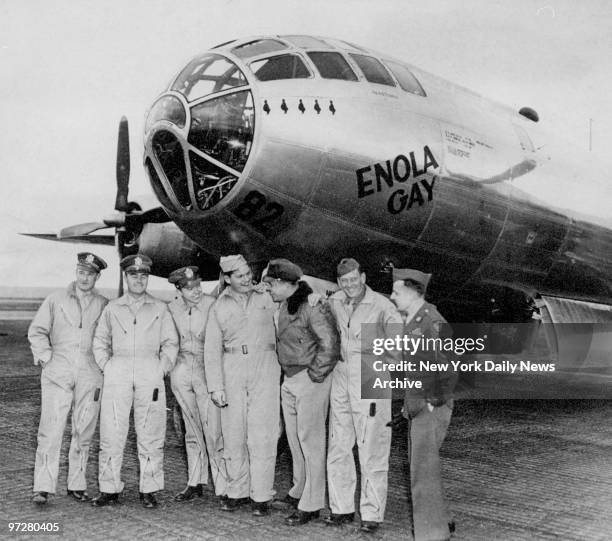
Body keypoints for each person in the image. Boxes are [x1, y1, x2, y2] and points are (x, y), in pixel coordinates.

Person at [91, 254, 178, 509]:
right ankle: (109, 488)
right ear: (126, 277)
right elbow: (100, 342)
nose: (138, 280)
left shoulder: (160, 308)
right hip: (118, 371)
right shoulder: (112, 308)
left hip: (149, 371)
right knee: (111, 432)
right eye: (133, 275)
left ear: (147, 278)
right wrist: (108, 366)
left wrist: (160, 369)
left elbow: (171, 343)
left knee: (151, 433)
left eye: (143, 275)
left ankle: (149, 489)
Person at [325, 258, 402, 533]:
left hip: (370, 374)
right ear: (338, 282)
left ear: (364, 277)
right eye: (344, 281)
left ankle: (371, 513)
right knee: (338, 445)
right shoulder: (334, 301)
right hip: (341, 374)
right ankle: (341, 508)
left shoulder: (382, 306)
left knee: (372, 448)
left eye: (354, 280)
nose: (350, 286)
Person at [263, 258, 339, 526]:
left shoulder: (311, 307)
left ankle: (312, 502)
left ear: (284, 284)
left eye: (271, 284)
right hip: (290, 379)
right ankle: (299, 490)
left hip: (309, 379)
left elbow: (329, 344)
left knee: (312, 442)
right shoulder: (283, 305)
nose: (268, 289)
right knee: (295, 440)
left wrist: (314, 376)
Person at [28, 252, 108, 505]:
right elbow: (37, 331)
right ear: (76, 273)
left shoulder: (104, 304)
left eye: (90, 274)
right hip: (58, 371)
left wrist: (104, 365)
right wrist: (46, 358)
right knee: (50, 430)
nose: (85, 278)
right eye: (81, 272)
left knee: (83, 430)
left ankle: (77, 485)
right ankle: (43, 486)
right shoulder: (55, 299)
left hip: (90, 372)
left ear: (97, 276)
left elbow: (110, 338)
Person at [204, 255, 280, 516]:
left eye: (248, 273)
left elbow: (292, 298)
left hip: (265, 365)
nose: (247, 278)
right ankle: (237, 491)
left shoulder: (267, 297)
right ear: (227, 278)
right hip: (233, 365)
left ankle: (261, 496)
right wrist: (216, 386)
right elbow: (211, 349)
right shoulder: (218, 306)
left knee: (263, 434)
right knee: (234, 433)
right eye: (240, 276)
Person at [390, 268, 456, 541]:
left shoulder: (431, 321)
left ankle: (431, 535)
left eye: (396, 292)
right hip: (417, 405)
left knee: (422, 474)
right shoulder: (415, 319)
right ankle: (441, 523)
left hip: (431, 408)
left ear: (411, 291)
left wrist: (431, 402)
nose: (392, 297)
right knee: (422, 470)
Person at [167, 266, 228, 502]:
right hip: (182, 371)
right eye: (189, 288)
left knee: (213, 430)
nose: (195, 291)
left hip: (207, 370)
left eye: (198, 286)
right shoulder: (171, 309)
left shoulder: (214, 304)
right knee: (191, 429)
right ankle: (195, 482)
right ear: (179, 289)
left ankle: (223, 486)